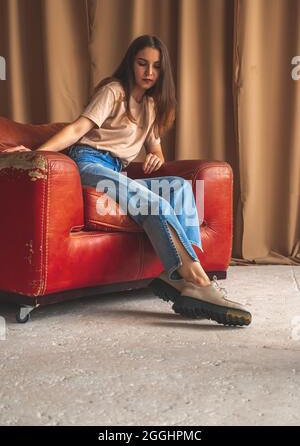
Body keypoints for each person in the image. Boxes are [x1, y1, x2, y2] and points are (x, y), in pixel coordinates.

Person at [4, 35, 251, 326]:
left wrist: (156, 155)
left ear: (163, 71)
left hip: (117, 171)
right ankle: (198, 280)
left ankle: (183, 280)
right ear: (131, 63)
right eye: (142, 63)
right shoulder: (113, 91)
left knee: (181, 187)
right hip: (88, 163)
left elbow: (154, 144)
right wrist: (36, 152)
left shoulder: (152, 105)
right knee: (154, 204)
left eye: (156, 67)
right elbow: (78, 129)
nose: (148, 72)